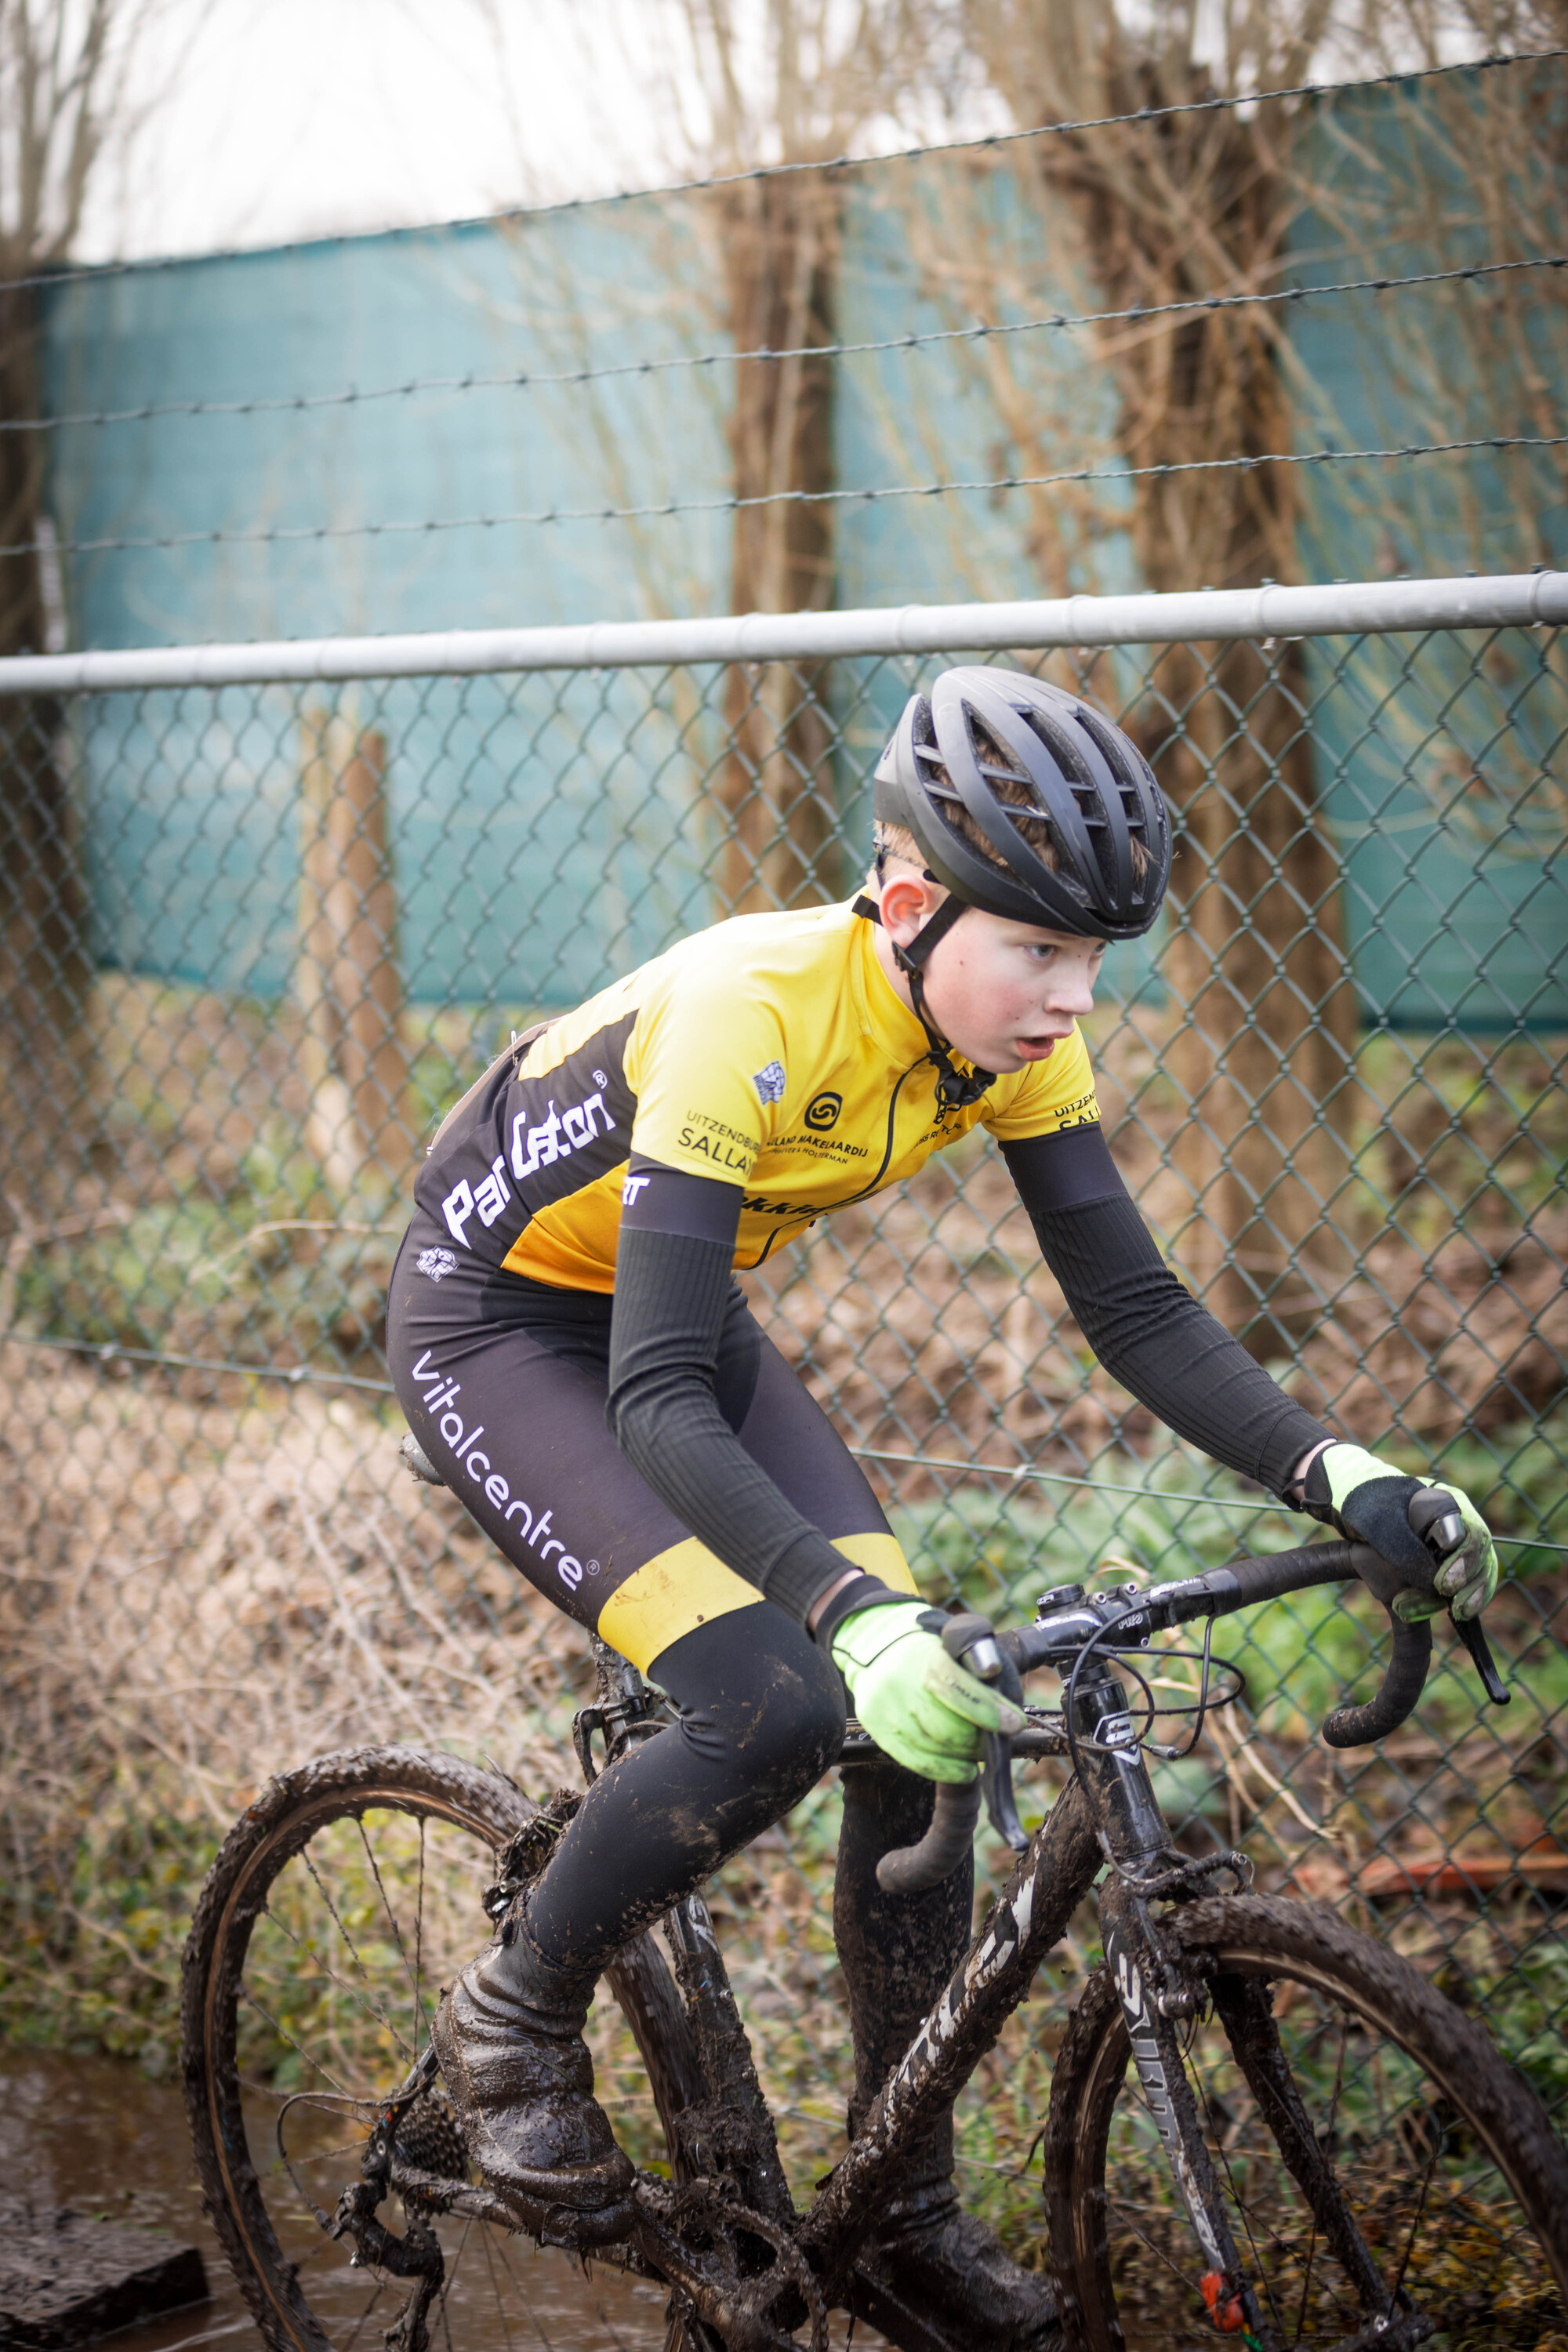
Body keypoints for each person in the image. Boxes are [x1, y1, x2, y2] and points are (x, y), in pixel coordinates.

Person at [387, 666, 1497, 2350]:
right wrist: (846, 1612)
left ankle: (899, 2212)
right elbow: (655, 1399)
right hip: (505, 1325)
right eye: (1036, 953)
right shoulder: (750, 1007)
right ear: (908, 906)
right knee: (774, 1698)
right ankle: (514, 2013)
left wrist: (1339, 1470)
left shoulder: (1007, 1038)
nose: (1068, 1000)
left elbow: (1130, 1310)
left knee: (931, 1718)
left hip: (672, 1320)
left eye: (1094, 961)